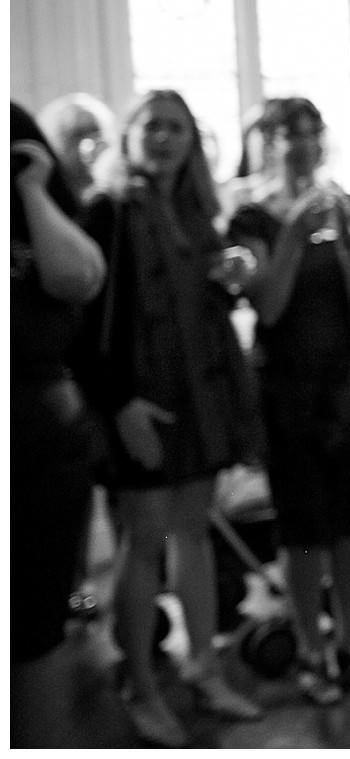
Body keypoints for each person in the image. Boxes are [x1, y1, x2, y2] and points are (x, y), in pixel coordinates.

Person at [76, 89, 265, 746]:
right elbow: (86, 319)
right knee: (145, 541)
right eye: (151, 125)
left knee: (194, 535)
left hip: (198, 399)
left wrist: (228, 272)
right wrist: (119, 402)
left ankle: (205, 669)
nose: (163, 137)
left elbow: (198, 296)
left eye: (176, 127)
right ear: (128, 135)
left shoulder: (195, 211)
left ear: (192, 141)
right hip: (139, 403)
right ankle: (140, 686)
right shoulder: (108, 211)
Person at [227, 97, 350, 705]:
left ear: (323, 141)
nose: (299, 143)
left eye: (309, 132)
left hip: (346, 387)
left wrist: (348, 237)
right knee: (302, 530)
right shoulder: (252, 219)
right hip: (287, 388)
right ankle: (310, 649)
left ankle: (349, 642)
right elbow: (267, 307)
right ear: (266, 142)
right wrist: (295, 231)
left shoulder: (348, 204)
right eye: (285, 133)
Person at [11, 102, 106, 747]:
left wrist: (27, 187)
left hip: (36, 435)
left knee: (33, 629)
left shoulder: (30, 189)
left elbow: (79, 278)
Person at [37, 92, 115, 203]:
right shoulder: (46, 193)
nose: (90, 142)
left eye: (96, 131)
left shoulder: (114, 192)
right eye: (79, 134)